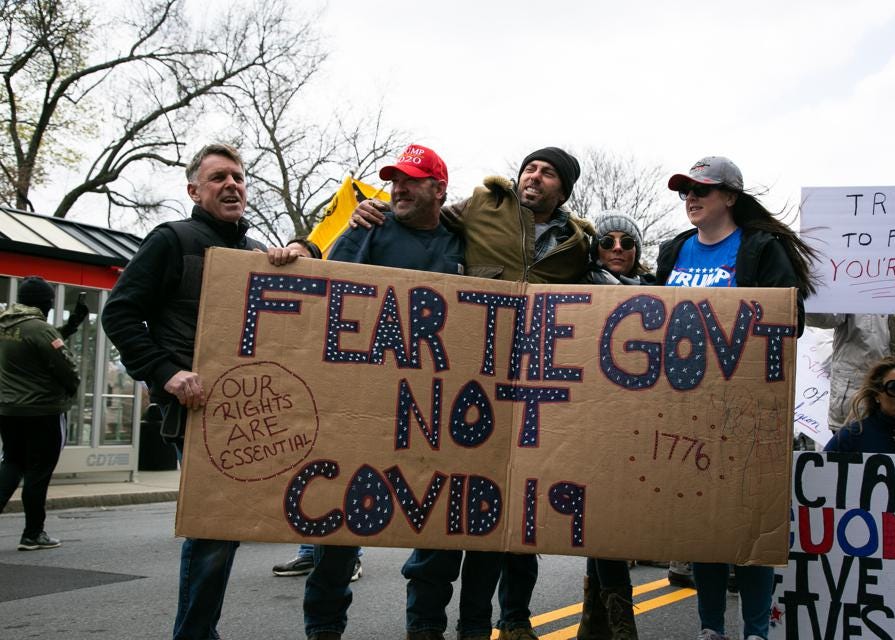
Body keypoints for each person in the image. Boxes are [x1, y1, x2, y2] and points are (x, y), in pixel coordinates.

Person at [353, 146, 592, 640]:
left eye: (548, 173)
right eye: (529, 168)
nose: (534, 176)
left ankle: (478, 627)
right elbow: (425, 217)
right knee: (442, 512)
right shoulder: (484, 204)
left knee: (495, 521)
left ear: (563, 190)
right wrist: (365, 215)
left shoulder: (575, 245)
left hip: (523, 402)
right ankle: (424, 625)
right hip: (460, 388)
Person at [101, 143, 310, 640]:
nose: (231, 185)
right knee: (216, 528)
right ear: (194, 191)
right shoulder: (171, 240)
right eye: (218, 178)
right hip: (194, 410)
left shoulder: (256, 251)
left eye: (237, 177)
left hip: (251, 411)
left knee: (225, 527)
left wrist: (302, 253)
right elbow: (120, 313)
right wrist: (166, 372)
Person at [290, 143, 464, 640]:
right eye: (394, 180)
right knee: (342, 525)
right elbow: (327, 291)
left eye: (411, 180)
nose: (398, 188)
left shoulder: (462, 239)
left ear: (438, 189)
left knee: (438, 526)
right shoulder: (367, 227)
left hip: (433, 412)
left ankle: (425, 625)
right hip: (364, 407)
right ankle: (324, 628)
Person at [656, 156, 818, 640]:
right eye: (685, 190)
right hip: (685, 406)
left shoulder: (760, 248)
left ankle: (755, 631)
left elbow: (790, 318)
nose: (691, 198)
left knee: (750, 523)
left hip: (746, 407)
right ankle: (711, 628)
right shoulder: (673, 250)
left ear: (729, 197)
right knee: (704, 525)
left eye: (701, 189)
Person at [577, 211, 648, 639]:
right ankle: (622, 625)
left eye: (627, 242)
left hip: (638, 418)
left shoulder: (657, 290)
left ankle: (594, 619)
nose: (618, 248)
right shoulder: (577, 285)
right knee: (601, 518)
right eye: (607, 242)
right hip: (590, 417)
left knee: (606, 520)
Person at [0, 276, 81, 551]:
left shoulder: (5, 325)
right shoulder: (40, 328)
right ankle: (33, 533)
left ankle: (33, 532)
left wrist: (71, 326)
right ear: (45, 303)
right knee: (39, 471)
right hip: (43, 410)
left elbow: (34, 343)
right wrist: (71, 389)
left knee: (12, 463)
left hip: (8, 410)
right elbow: (65, 367)